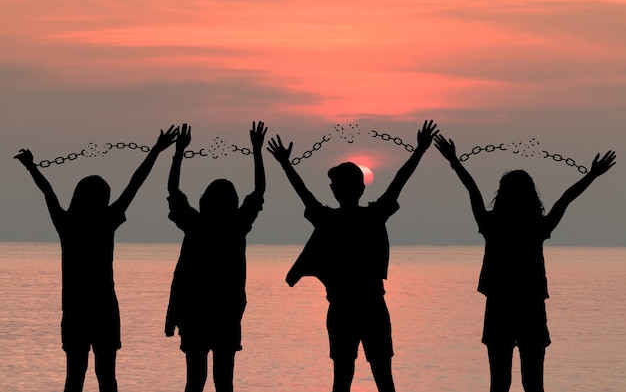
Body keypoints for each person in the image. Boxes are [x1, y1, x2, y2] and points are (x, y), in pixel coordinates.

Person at [434, 134, 616, 392]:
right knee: (533, 384)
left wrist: (454, 160)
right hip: (531, 305)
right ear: (532, 195)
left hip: (499, 305)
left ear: (502, 195)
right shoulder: (537, 226)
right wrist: (592, 175)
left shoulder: (491, 224)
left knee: (499, 384)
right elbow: (566, 199)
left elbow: (472, 189)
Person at [267, 120, 439, 392]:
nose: (333, 187)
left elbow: (304, 194)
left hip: (344, 308)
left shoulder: (328, 220)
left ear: (337, 190)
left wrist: (285, 164)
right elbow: (399, 182)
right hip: (371, 306)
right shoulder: (373, 217)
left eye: (334, 184)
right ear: (361, 188)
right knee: (383, 378)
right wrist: (419, 150)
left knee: (344, 379)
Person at [14, 126, 178, 392]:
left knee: (74, 378)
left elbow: (49, 192)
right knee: (107, 377)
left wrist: (31, 167)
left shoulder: (66, 223)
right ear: (104, 199)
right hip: (104, 308)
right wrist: (157, 151)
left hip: (75, 309)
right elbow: (135, 184)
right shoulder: (106, 220)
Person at [165, 122, 267, 392]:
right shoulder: (237, 226)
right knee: (225, 381)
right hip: (227, 313)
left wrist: (178, 154)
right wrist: (257, 151)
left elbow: (174, 192)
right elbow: (258, 193)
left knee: (194, 381)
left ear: (204, 201)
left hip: (194, 312)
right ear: (233, 203)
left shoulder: (195, 225)